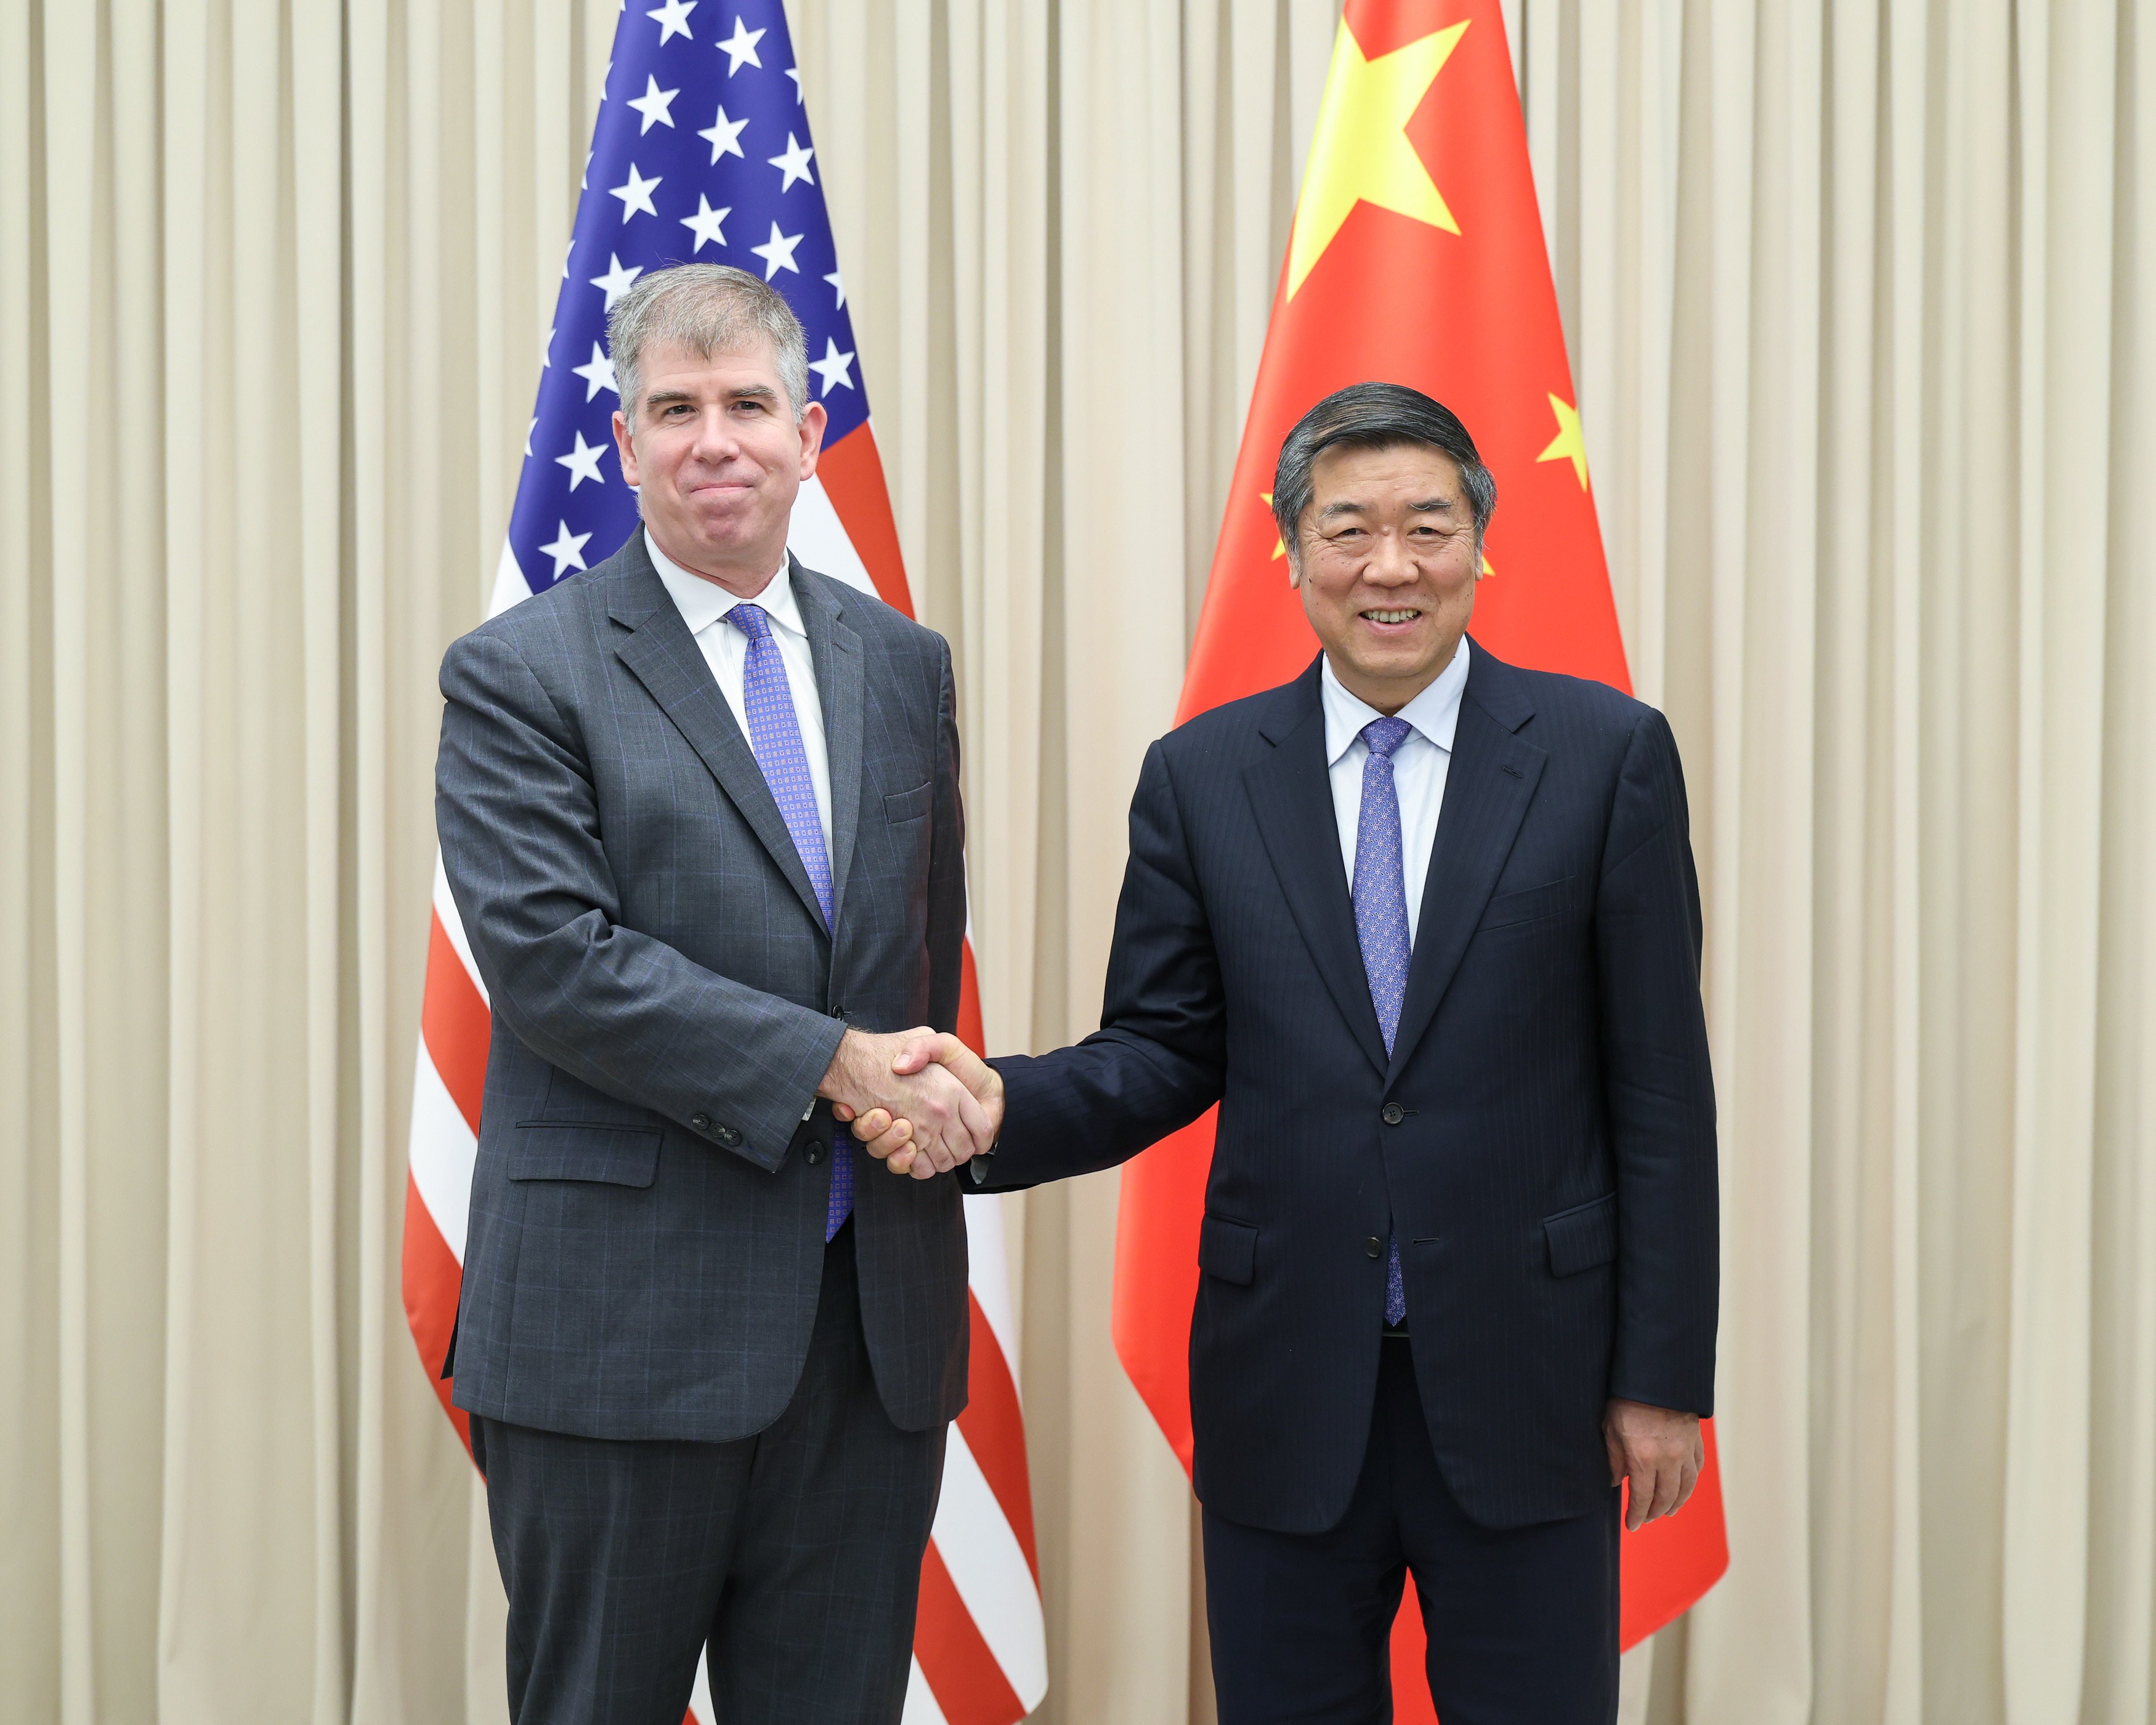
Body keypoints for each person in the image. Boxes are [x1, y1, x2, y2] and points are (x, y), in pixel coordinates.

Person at [844, 383, 1720, 1723]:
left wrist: (1658, 1377)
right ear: (1292, 550)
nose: (1389, 566)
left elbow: (1659, 1089)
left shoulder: (1605, 757)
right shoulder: (1202, 775)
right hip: (1286, 1384)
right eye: (1347, 527)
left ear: (1478, 541)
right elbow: (1160, 1047)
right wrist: (995, 1104)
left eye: (1427, 527)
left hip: (1531, 1382)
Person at [433, 262, 995, 1725]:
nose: (714, 440)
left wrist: (916, 1090)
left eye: (747, 403)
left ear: (809, 431)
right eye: (673, 409)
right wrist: (840, 1062)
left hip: (867, 1332)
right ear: (623, 444)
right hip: (619, 1337)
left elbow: (921, 958)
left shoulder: (901, 664)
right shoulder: (521, 672)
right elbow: (557, 963)